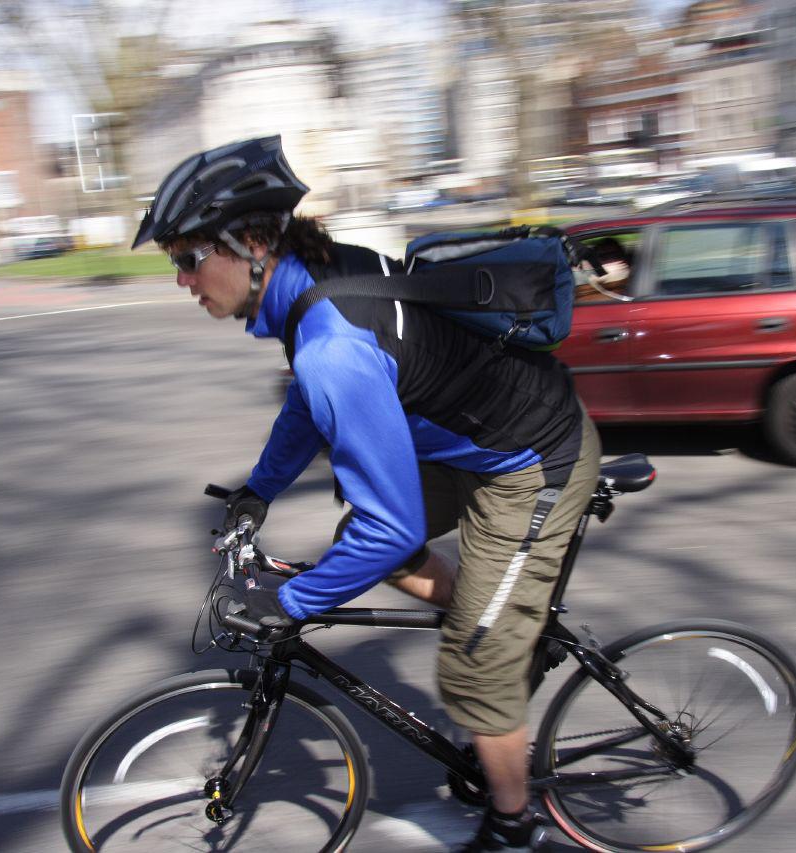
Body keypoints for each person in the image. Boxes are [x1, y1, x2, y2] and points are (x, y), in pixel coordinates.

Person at [133, 136, 601, 852]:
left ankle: (514, 823)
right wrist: (260, 488)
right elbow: (307, 410)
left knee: (468, 658)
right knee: (381, 545)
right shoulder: (316, 285)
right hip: (471, 442)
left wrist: (290, 601)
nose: (182, 279)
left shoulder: (331, 345)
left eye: (190, 258)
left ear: (254, 243)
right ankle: (500, 625)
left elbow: (385, 512)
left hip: (534, 460)